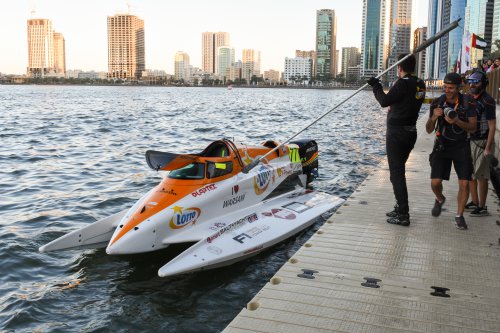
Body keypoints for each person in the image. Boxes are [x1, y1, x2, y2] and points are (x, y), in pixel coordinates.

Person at [367, 53, 426, 226]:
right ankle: (400, 207)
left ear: (399, 67)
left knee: (397, 174)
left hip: (397, 134)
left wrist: (376, 86)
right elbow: (405, 102)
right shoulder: (419, 83)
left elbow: (384, 101)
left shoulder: (403, 84)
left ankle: (403, 214)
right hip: (410, 132)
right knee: (397, 173)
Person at [425, 72, 477, 230]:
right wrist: (434, 117)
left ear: (459, 88)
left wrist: (456, 120)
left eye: (451, 88)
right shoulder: (437, 103)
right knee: (435, 183)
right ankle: (440, 199)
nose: (447, 91)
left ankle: (459, 216)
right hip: (442, 145)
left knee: (464, 183)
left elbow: (473, 127)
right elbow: (428, 130)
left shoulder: (468, 103)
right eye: (445, 87)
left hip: (461, 145)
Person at [465, 70, 496, 216]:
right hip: (471, 140)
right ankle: (475, 201)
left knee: (482, 176)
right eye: (470, 82)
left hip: (483, 142)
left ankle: (482, 207)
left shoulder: (487, 100)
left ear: (483, 84)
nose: (472, 85)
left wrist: (488, 147)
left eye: (476, 82)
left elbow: (492, 126)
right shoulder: (470, 98)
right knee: (470, 174)